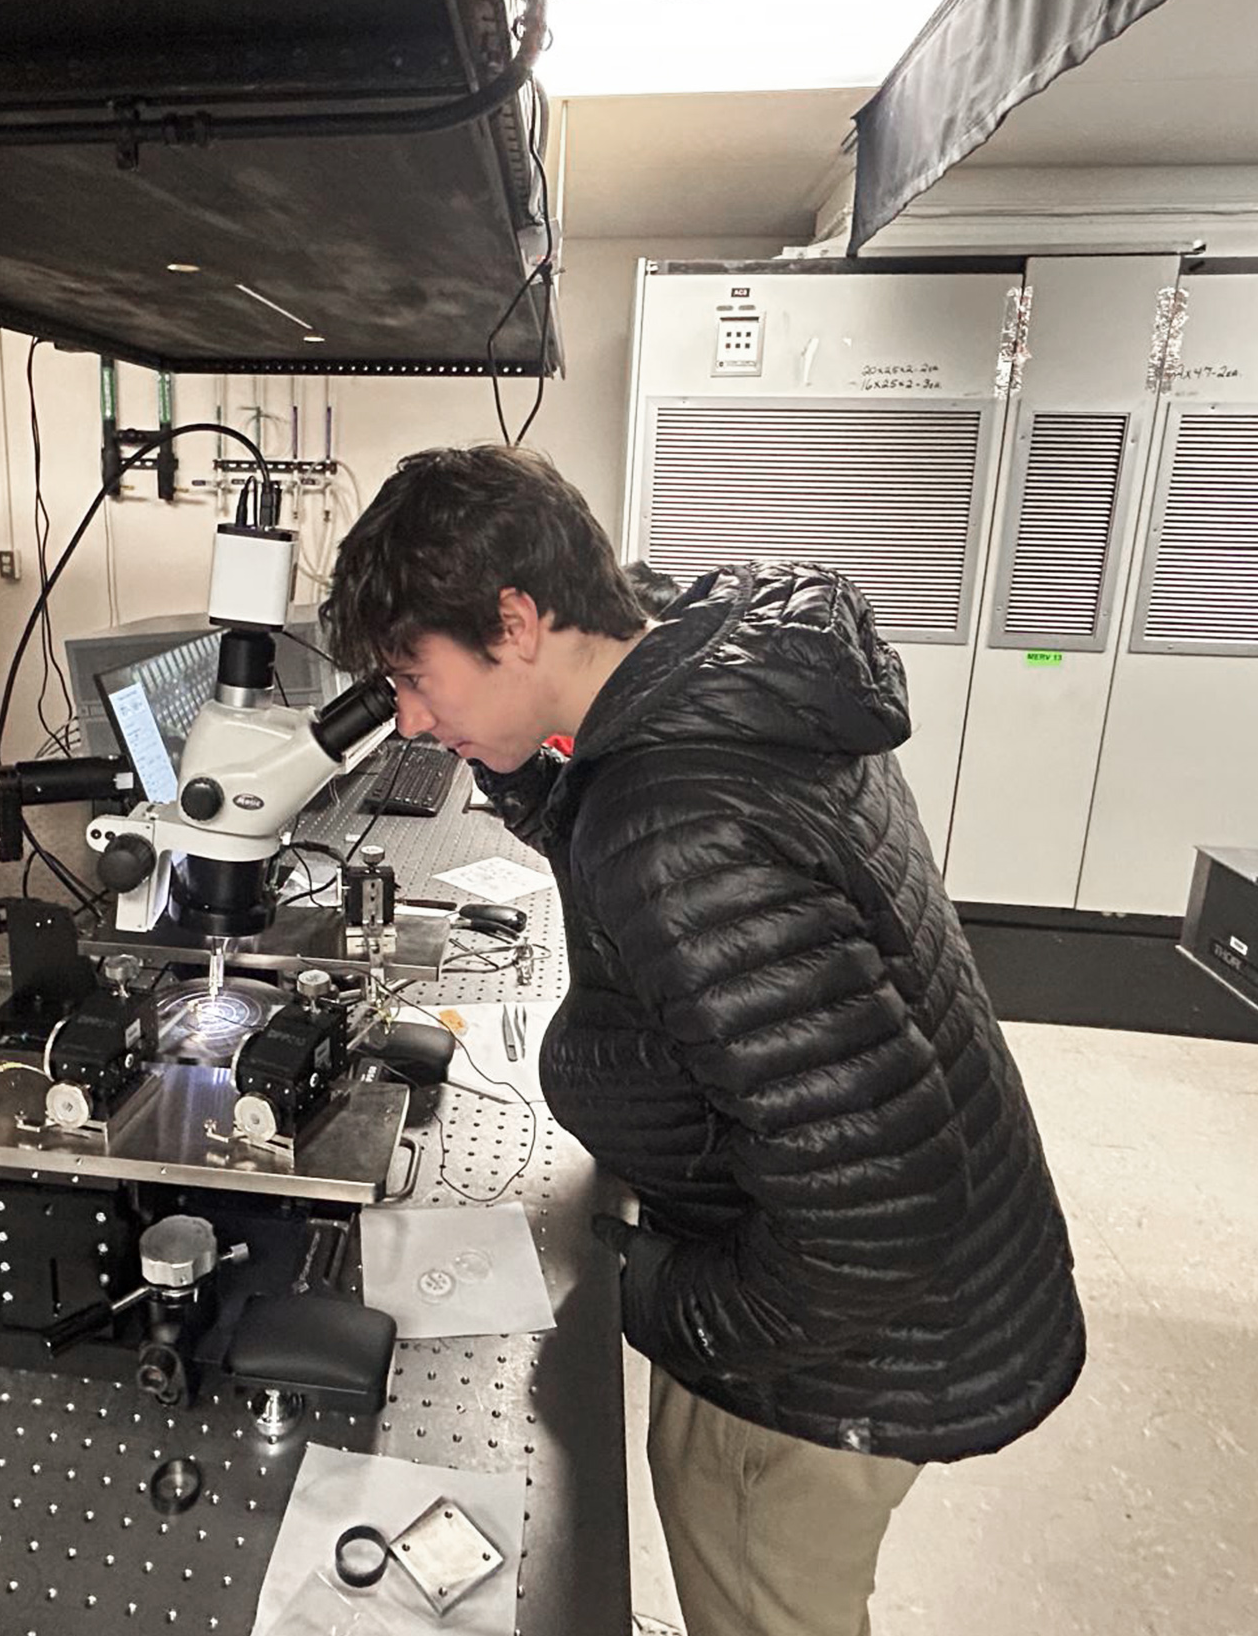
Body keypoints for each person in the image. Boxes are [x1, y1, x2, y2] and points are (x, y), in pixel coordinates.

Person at [321, 446, 1085, 1636]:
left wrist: (655, 1298)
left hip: (836, 1363)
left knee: (762, 1595)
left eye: (417, 679)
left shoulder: (680, 820)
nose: (411, 721)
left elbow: (875, 1213)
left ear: (516, 622)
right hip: (946, 1274)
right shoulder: (726, 666)